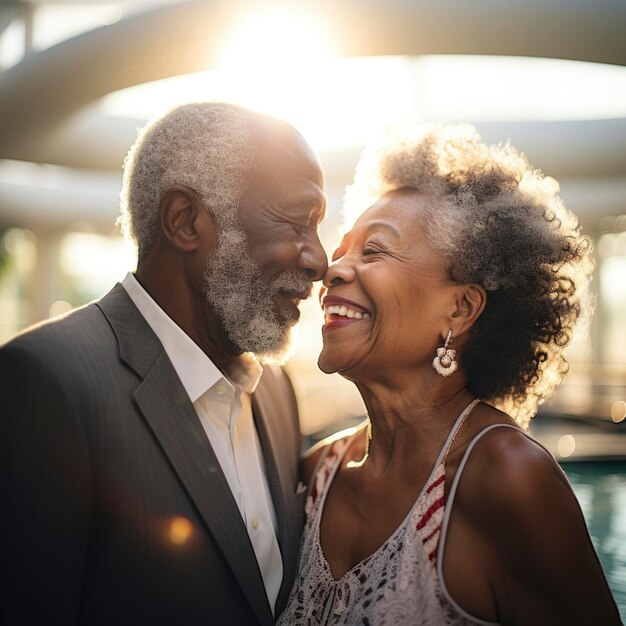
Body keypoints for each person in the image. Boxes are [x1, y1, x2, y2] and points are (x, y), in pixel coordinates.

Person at [279, 123, 621, 625]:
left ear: (460, 309)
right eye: (342, 250)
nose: (334, 270)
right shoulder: (317, 473)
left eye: (373, 250)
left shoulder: (507, 480)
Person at [0, 102, 327, 625]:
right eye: (296, 222)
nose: (320, 260)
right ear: (185, 221)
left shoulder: (277, 393)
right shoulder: (44, 385)